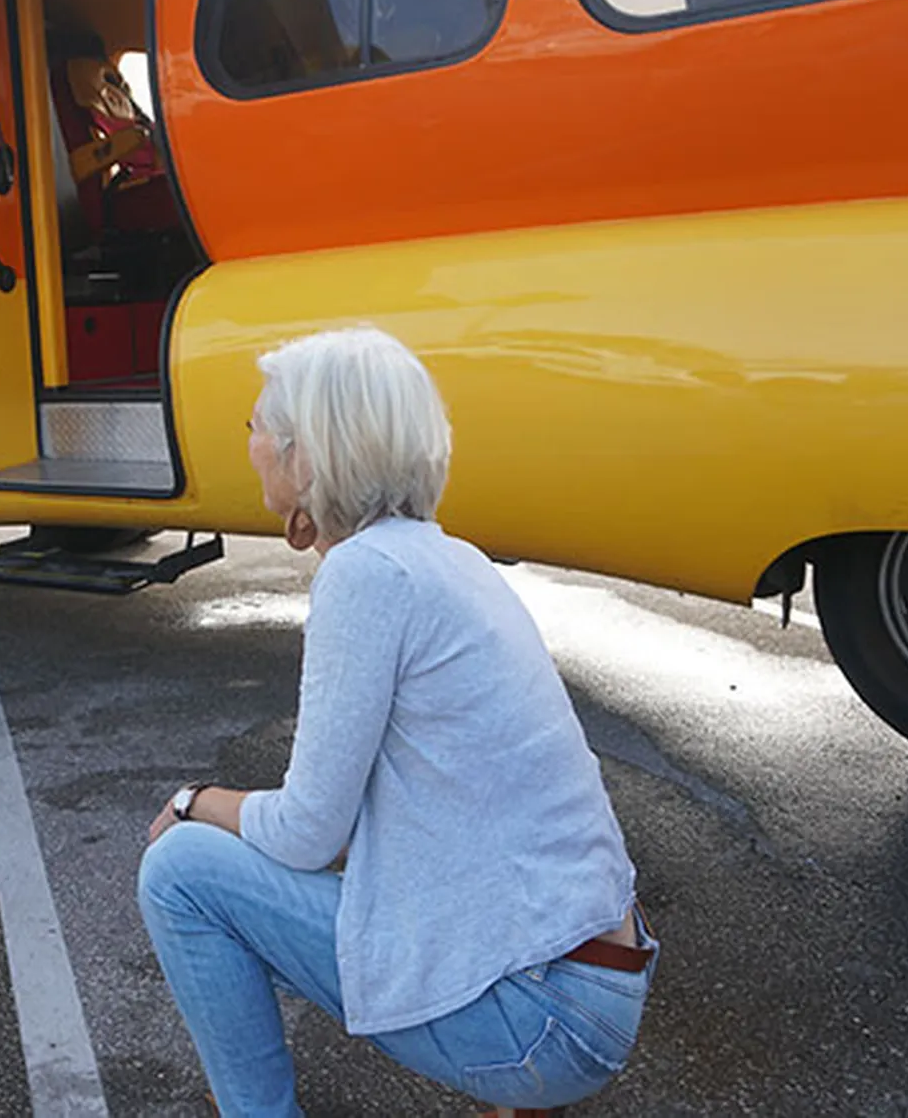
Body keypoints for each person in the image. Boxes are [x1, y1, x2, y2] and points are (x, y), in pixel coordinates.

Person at [137, 327, 656, 1118]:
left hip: (540, 1015)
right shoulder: (447, 558)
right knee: (272, 876)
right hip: (593, 976)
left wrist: (192, 801)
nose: (251, 442)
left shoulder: (366, 574)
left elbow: (310, 833)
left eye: (258, 424)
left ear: (307, 455)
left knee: (182, 873)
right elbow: (357, 832)